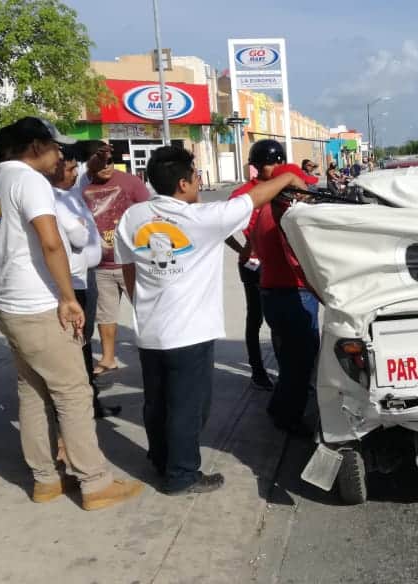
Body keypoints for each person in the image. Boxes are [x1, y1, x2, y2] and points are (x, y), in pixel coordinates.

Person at [0, 117, 142, 509]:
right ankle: (94, 483)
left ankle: (45, 480)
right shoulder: (30, 182)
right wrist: (66, 297)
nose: (61, 154)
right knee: (73, 394)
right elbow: (51, 241)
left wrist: (7, 280)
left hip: (11, 306)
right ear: (34, 147)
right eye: (56, 147)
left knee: (33, 393)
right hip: (41, 307)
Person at [114, 145, 308, 495]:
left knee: (156, 404)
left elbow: (128, 270)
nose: (199, 183)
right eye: (197, 176)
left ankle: (160, 460)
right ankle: (182, 475)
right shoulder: (201, 219)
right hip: (188, 334)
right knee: (189, 408)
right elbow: (253, 199)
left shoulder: (134, 217)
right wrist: (289, 178)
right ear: (185, 183)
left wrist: (143, 303)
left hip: (149, 330)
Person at [48, 145, 119, 418]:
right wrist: (83, 227)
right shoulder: (52, 199)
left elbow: (88, 173)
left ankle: (92, 401)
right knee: (77, 345)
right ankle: (77, 407)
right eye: (70, 169)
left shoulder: (70, 193)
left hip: (86, 277)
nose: (75, 173)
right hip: (72, 283)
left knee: (85, 343)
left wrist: (97, 159)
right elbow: (77, 238)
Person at [250, 165, 321, 435]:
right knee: (301, 362)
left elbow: (256, 247)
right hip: (294, 294)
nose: (307, 193)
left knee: (289, 360)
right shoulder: (287, 216)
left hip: (272, 292)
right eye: (303, 187)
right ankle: (289, 417)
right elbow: (299, 261)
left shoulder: (265, 211)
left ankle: (279, 407)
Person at [80, 141, 150, 375]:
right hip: (100, 265)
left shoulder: (130, 182)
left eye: (110, 161)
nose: (106, 166)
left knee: (145, 309)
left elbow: (148, 214)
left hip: (131, 263)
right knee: (105, 315)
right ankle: (108, 358)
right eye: (100, 162)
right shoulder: (82, 186)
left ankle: (152, 351)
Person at [224, 139, 288, 391]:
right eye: (263, 165)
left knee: (279, 320)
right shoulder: (242, 194)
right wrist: (243, 249)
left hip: (283, 263)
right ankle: (258, 370)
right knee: (257, 317)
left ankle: (286, 370)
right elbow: (224, 229)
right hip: (255, 265)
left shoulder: (287, 188)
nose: (268, 169)